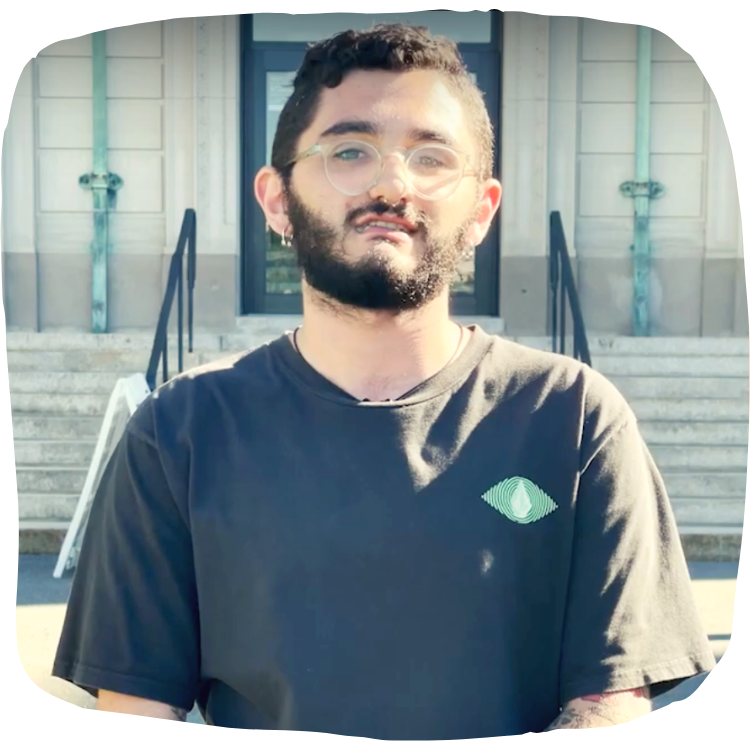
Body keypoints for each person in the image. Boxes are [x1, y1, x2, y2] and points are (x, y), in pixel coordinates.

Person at [52, 24, 715, 737]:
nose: (391, 184)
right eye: (349, 151)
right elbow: (139, 701)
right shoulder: (178, 432)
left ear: (481, 211)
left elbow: (609, 702)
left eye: (431, 158)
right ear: (276, 199)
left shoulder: (573, 420)